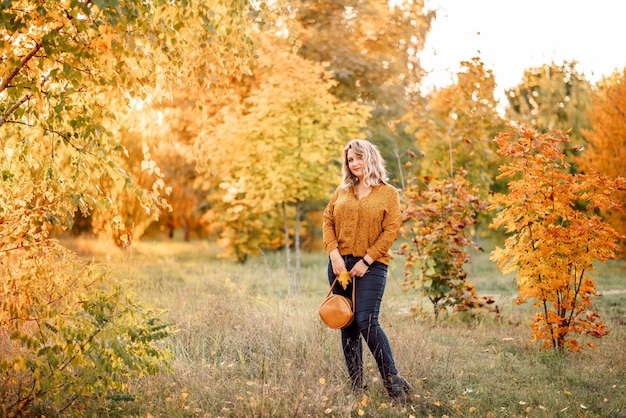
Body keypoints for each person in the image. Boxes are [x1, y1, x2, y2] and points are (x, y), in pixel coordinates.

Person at [322, 139, 413, 402]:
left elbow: (391, 230)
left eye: (359, 157)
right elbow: (327, 220)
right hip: (339, 265)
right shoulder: (342, 190)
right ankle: (356, 388)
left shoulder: (388, 193)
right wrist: (334, 254)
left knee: (366, 321)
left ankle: (394, 384)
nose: (354, 163)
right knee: (346, 323)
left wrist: (367, 259)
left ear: (370, 157)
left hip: (372, 266)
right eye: (350, 160)